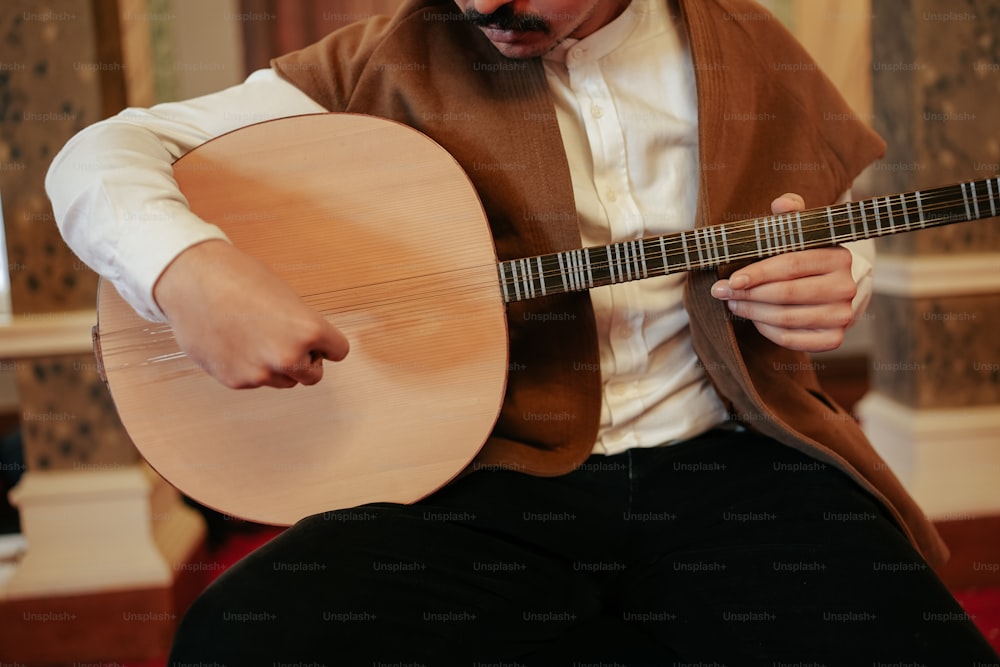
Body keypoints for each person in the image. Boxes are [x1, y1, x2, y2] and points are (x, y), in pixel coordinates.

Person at [46, 0, 999, 664]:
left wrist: (845, 277)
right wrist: (187, 269)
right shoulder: (380, 57)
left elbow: (836, 211)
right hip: (482, 479)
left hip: (731, 458)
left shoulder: (744, 40)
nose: (488, 3)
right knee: (240, 637)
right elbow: (100, 154)